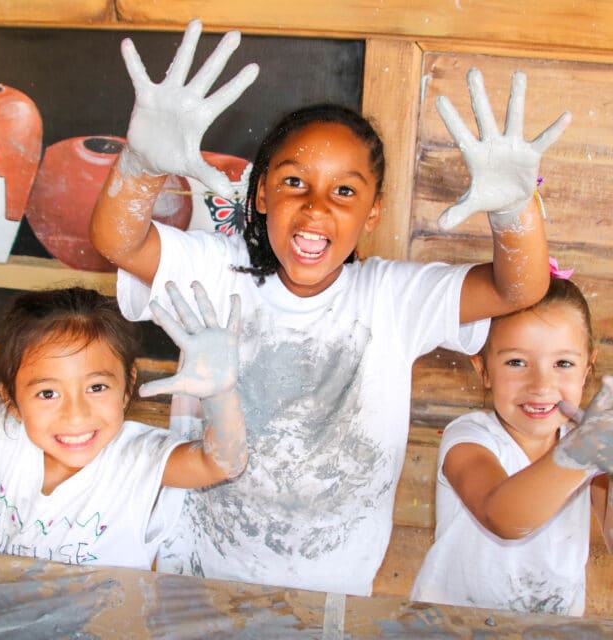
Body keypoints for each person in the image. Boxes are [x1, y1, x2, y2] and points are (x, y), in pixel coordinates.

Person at [89, 19, 572, 595]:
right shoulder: (216, 271)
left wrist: (516, 208)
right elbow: (120, 242)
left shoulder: (391, 297)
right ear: (260, 193)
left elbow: (518, 288)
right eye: (295, 182)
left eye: (344, 191)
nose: (317, 207)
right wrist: (140, 166)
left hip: (332, 596)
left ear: (372, 213)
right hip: (194, 579)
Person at [0, 282, 247, 570]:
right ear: (12, 400)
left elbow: (221, 463)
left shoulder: (137, 457)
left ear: (127, 386)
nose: (76, 415)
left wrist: (219, 395)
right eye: (48, 394)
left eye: (97, 387)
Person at [410, 269, 613, 615]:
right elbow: (503, 517)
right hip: (450, 629)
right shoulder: (469, 439)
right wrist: (583, 453)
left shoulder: (592, 449)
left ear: (587, 370)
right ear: (483, 370)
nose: (540, 384)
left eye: (563, 363)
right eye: (516, 362)